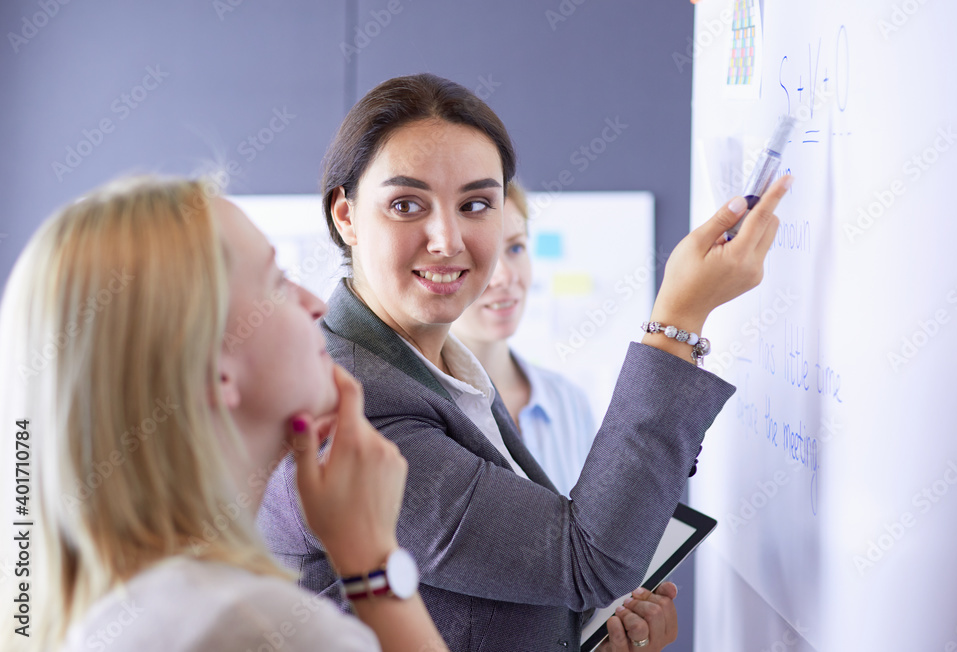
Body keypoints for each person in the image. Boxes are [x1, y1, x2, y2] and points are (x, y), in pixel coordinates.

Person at [257, 73, 789, 651]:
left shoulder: (440, 373)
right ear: (346, 216)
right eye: (407, 204)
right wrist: (678, 320)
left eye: (477, 204)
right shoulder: (352, 409)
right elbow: (584, 562)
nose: (447, 239)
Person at [0, 176, 448, 652]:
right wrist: (371, 557)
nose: (316, 305)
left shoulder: (89, 613)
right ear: (211, 369)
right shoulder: (254, 627)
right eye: (277, 281)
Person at [451, 180, 596, 496]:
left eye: (515, 248)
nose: (504, 276)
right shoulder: (422, 413)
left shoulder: (569, 402)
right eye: (478, 253)